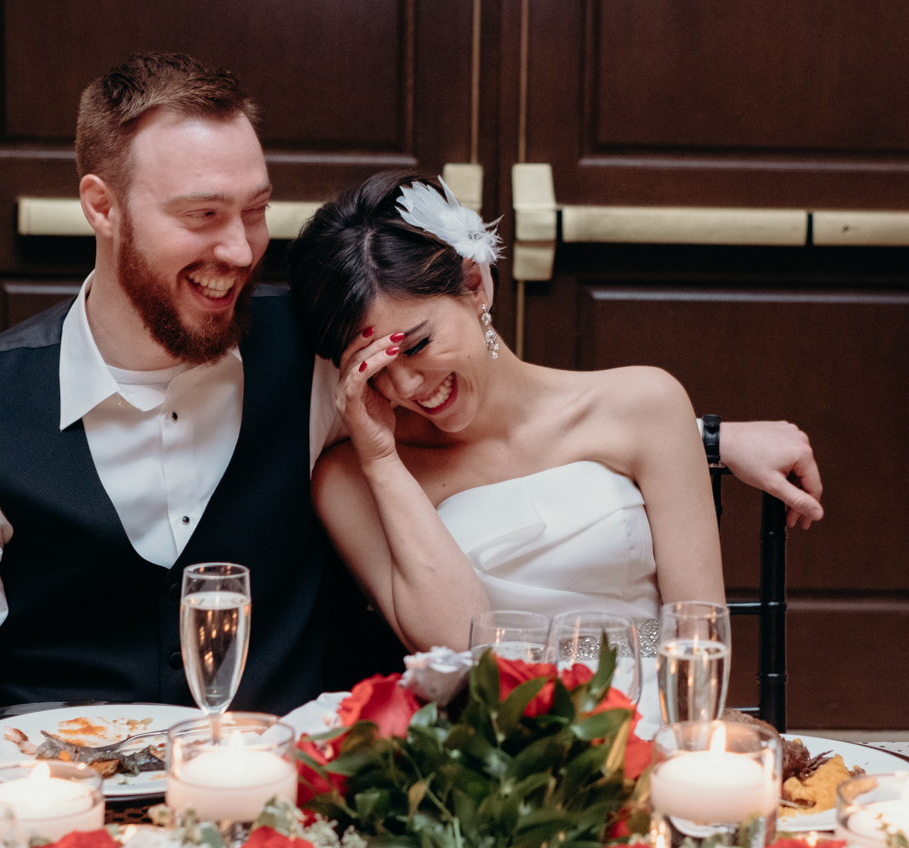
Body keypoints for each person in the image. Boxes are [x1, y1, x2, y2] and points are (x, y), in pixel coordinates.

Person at [0, 52, 823, 714]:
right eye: (200, 215)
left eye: (253, 210)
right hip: (59, 803)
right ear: (101, 209)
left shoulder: (320, 361)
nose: (237, 252)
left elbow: (475, 407)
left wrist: (703, 439)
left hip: (284, 811)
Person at [284, 172, 821, 662]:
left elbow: (700, 639)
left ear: (473, 285)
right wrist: (381, 461)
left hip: (651, 718)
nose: (404, 387)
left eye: (418, 344)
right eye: (372, 369)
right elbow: (459, 651)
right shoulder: (350, 478)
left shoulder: (647, 405)